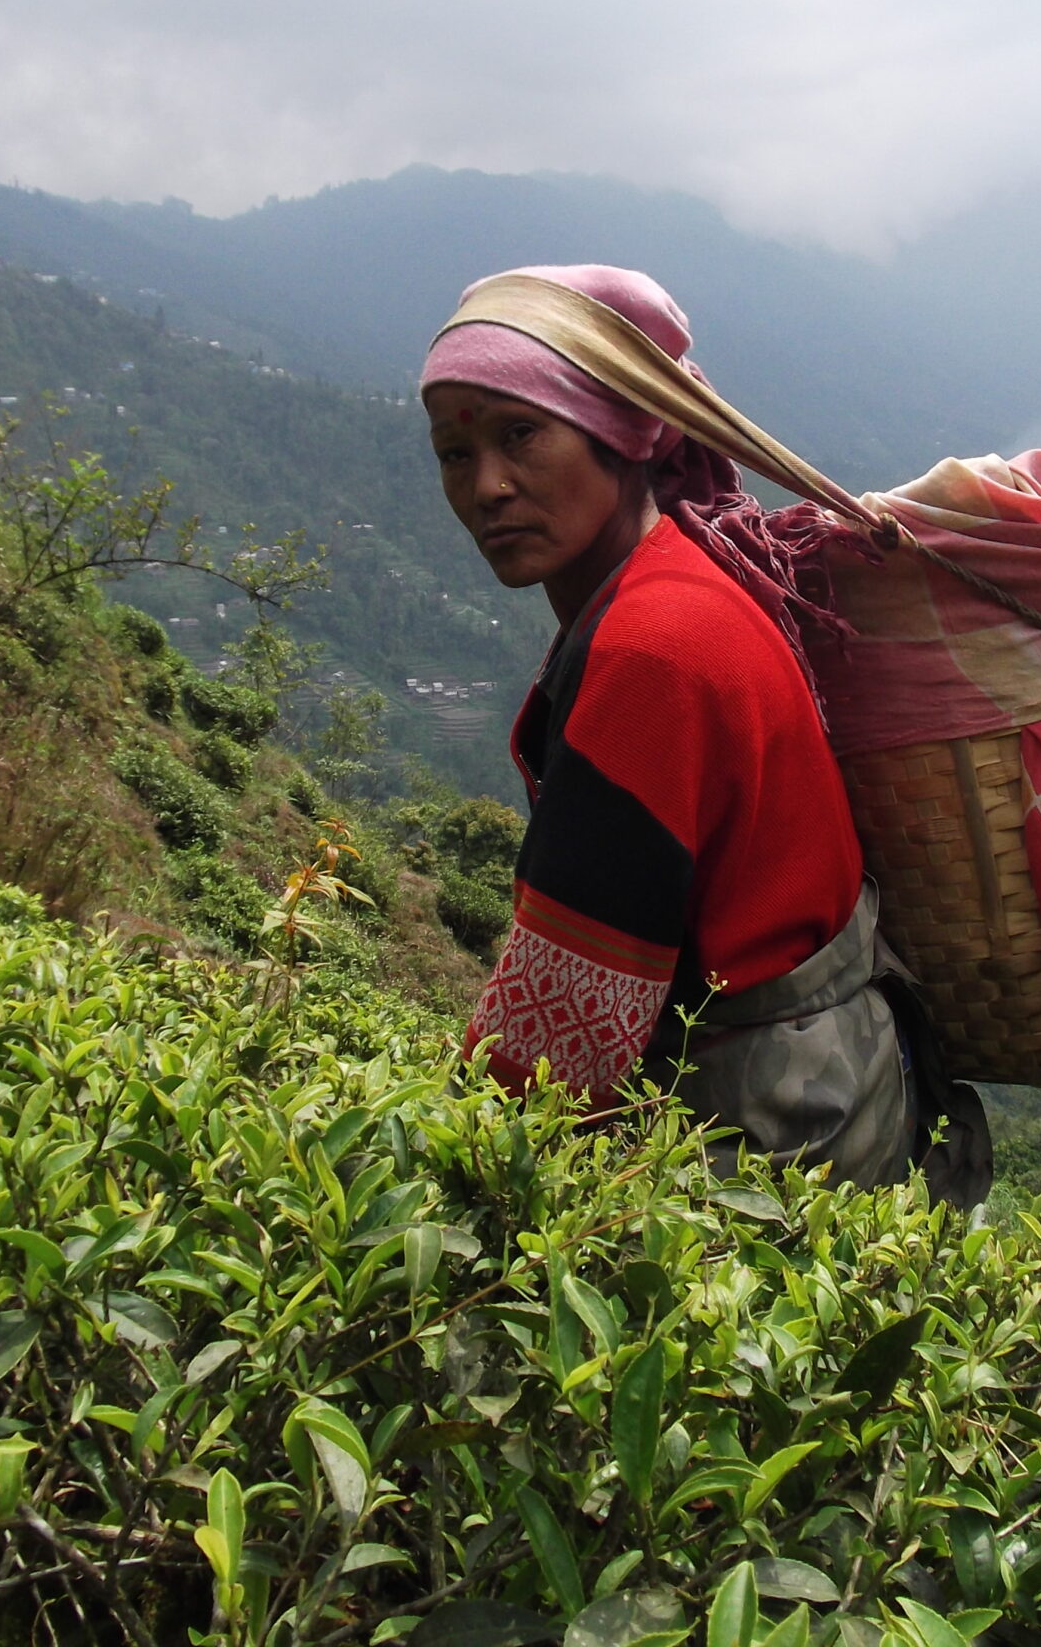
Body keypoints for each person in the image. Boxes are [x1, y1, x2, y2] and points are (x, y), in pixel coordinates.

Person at [420, 262, 990, 1204]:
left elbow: (553, 1052)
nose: (486, 486)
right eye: (453, 452)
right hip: (838, 1088)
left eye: (522, 435)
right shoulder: (680, 580)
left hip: (773, 1133)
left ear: (623, 433)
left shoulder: (653, 648)